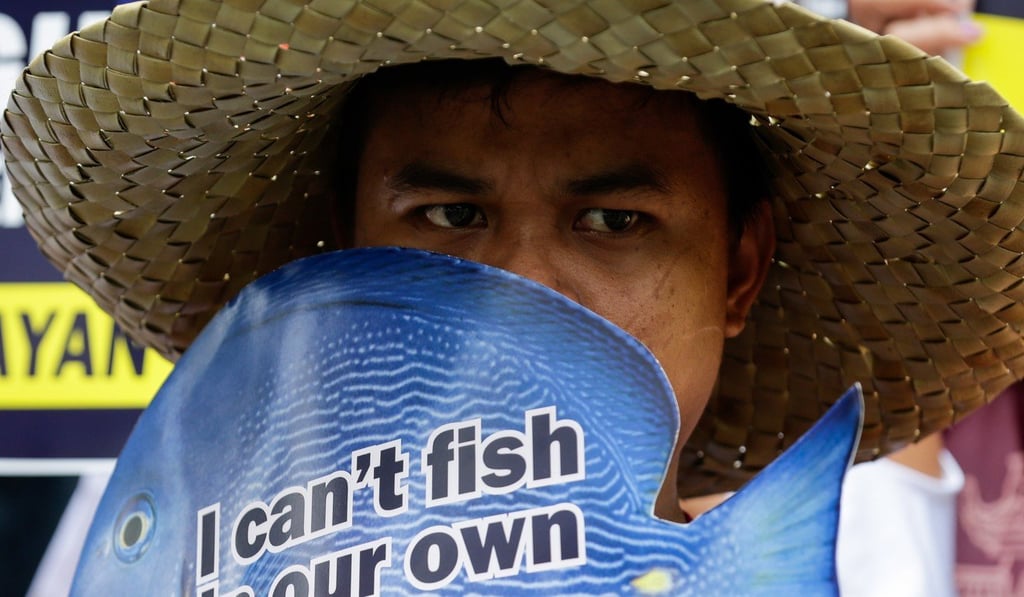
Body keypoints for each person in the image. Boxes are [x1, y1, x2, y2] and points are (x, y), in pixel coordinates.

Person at [5, 0, 1024, 588]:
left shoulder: (858, 551)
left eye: (614, 223)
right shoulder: (179, 546)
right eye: (448, 218)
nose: (519, 288)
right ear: (343, 254)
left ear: (740, 270)